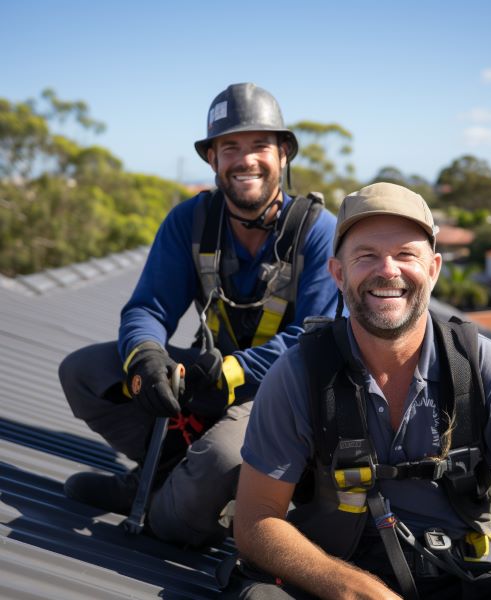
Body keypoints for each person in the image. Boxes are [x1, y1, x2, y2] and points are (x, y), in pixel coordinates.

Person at [232, 182, 491, 599]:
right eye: (366, 255)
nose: (388, 270)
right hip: (332, 579)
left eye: (406, 254)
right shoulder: (298, 373)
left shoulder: (482, 369)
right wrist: (351, 588)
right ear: (338, 273)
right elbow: (256, 519)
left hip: (454, 576)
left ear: (434, 269)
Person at [59, 82, 338, 548]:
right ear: (212, 159)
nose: (245, 159)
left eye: (259, 146)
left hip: (284, 401)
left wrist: (227, 373)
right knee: (85, 373)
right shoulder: (190, 221)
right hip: (210, 385)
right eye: (230, 147)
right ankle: (167, 473)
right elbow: (149, 307)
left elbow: (313, 342)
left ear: (284, 154)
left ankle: (161, 498)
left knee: (213, 470)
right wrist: (146, 358)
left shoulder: (318, 233)